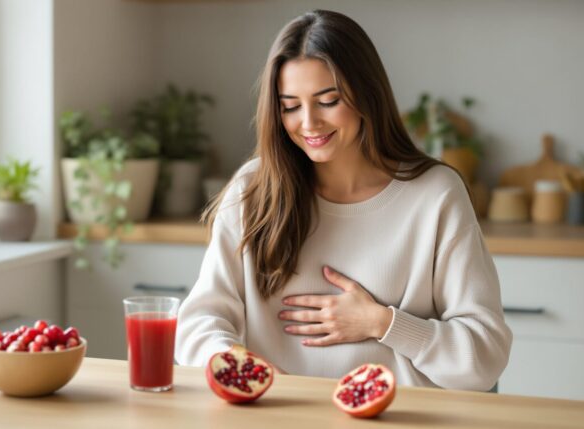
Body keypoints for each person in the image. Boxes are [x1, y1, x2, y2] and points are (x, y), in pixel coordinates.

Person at [175, 9, 511, 391]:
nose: (309, 123)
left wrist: (382, 323)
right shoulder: (253, 190)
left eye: (328, 100)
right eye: (290, 106)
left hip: (401, 414)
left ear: (366, 94)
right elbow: (197, 326)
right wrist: (247, 368)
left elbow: (485, 357)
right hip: (277, 414)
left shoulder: (436, 194)